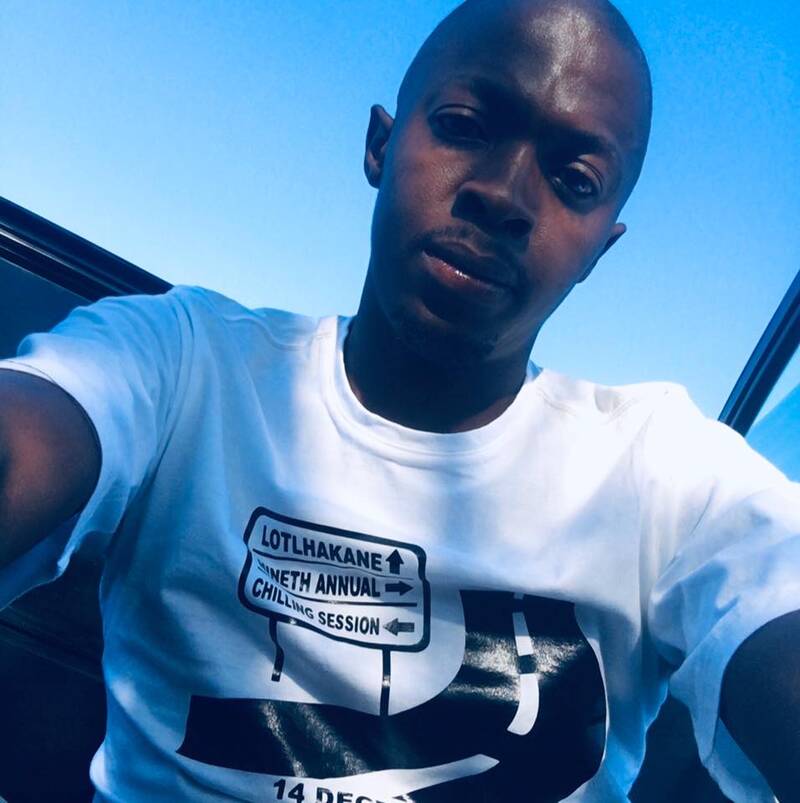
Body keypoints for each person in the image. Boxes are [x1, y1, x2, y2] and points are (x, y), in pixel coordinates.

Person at [0, 0, 798, 800]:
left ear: (601, 247)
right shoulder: (184, 362)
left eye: (575, 181)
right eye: (465, 126)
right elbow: (28, 439)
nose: (504, 195)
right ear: (380, 145)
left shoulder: (667, 479)